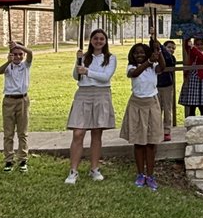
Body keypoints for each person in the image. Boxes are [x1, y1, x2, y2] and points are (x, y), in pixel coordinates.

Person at [65, 29, 117, 185]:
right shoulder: (85, 57)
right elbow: (76, 76)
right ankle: (73, 171)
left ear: (106, 41)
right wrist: (78, 62)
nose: (98, 41)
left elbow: (105, 77)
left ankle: (94, 168)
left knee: (96, 132)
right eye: (95, 38)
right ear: (91, 40)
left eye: (102, 39)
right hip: (83, 94)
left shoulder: (110, 58)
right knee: (78, 133)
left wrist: (87, 71)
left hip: (101, 94)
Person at [121, 37, 166, 190]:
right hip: (136, 105)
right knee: (139, 142)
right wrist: (148, 61)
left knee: (151, 143)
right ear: (132, 56)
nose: (139, 55)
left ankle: (150, 175)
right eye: (136, 53)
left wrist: (157, 50)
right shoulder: (131, 67)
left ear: (147, 53)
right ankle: (140, 174)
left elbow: (163, 67)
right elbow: (134, 74)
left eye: (142, 52)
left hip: (152, 104)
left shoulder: (153, 67)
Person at [0, 40, 33, 173]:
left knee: (22, 132)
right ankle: (8, 160)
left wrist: (18, 46)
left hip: (22, 100)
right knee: (8, 133)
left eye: (20, 54)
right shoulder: (8, 66)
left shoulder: (26, 65)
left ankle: (23, 159)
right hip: (9, 100)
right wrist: (8, 61)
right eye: (15, 54)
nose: (18, 57)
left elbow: (30, 53)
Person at [179, 36, 203, 117]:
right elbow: (186, 45)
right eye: (197, 44)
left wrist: (193, 47)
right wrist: (189, 38)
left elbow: (202, 58)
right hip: (192, 79)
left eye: (201, 44)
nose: (199, 46)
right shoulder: (192, 52)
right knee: (192, 105)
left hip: (201, 80)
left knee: (202, 106)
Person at [157, 39, 177, 141]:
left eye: (173, 48)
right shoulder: (157, 57)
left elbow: (168, 60)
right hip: (156, 86)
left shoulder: (171, 58)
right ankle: (157, 130)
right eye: (169, 47)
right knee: (157, 109)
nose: (171, 49)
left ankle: (166, 131)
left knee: (167, 109)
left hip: (167, 86)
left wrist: (162, 48)